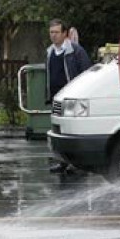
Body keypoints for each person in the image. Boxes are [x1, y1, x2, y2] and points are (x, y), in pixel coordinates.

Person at [46, 19, 92, 173]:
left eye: (56, 32)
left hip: (72, 97)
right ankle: (62, 161)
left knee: (72, 131)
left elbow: (86, 72)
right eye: (51, 32)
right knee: (58, 131)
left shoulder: (75, 51)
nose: (53, 36)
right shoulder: (50, 52)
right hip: (56, 97)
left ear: (65, 33)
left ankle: (77, 163)